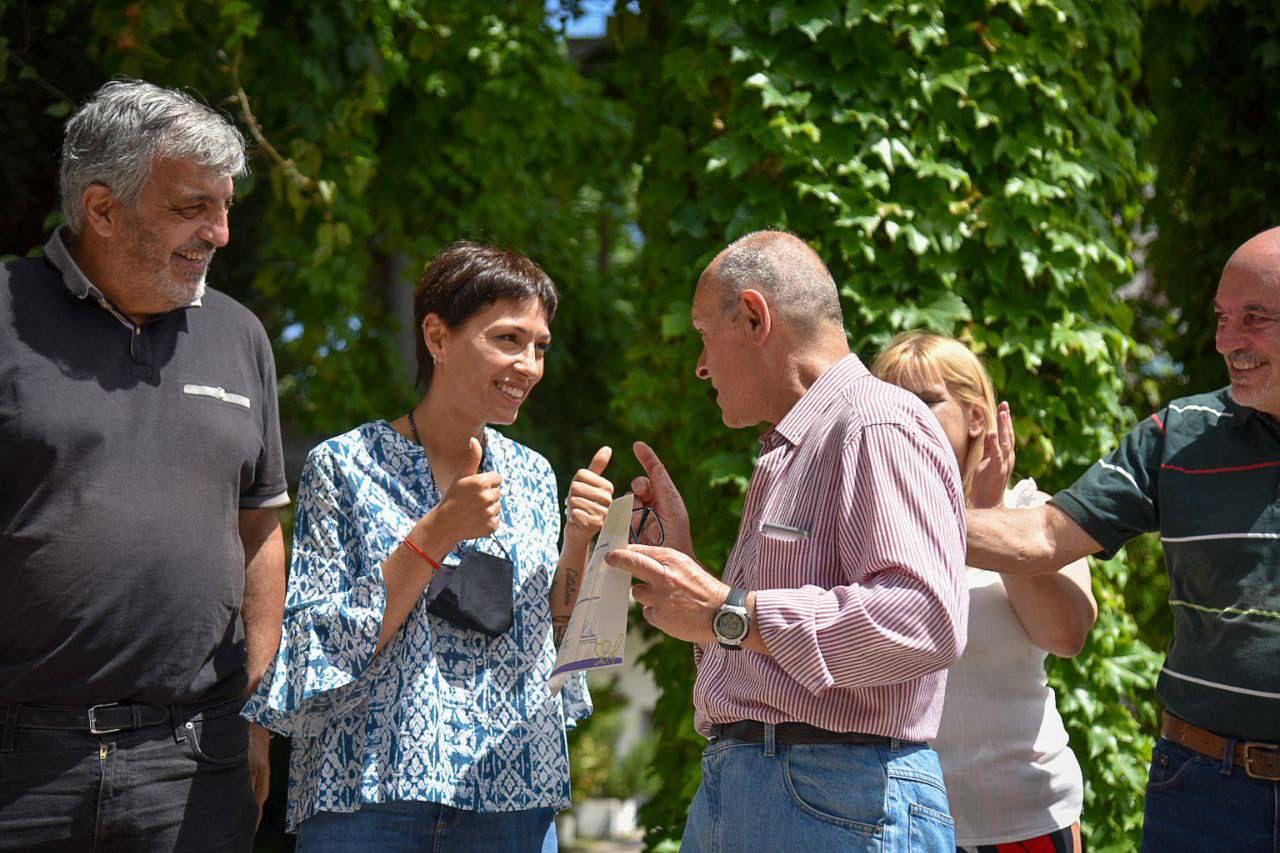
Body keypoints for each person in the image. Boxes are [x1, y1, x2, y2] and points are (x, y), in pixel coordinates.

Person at [605, 230, 969, 851]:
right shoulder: (799, 444)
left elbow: (924, 621)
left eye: (701, 334)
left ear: (753, 316)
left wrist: (728, 613)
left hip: (833, 794)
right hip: (774, 789)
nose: (699, 365)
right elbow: (753, 643)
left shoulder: (874, 423)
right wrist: (689, 571)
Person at [244, 242, 613, 852]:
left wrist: (579, 543)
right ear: (437, 338)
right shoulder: (344, 467)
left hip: (513, 795)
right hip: (367, 796)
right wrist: (436, 532)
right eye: (508, 339)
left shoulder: (535, 476)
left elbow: (560, 643)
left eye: (539, 345)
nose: (528, 364)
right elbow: (317, 646)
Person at [0, 79, 287, 850]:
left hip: (195, 760)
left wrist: (257, 706)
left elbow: (259, 527)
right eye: (193, 207)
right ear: (102, 209)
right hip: (21, 762)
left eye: (225, 207)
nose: (220, 233)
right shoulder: (4, 311)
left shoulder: (239, 334)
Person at [964, 227, 1280, 852]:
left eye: (1254, 318)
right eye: (1221, 318)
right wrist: (881, 515)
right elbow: (1045, 536)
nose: (1227, 341)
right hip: (1206, 794)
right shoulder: (1181, 435)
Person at [872, 332, 1096, 853]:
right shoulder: (869, 521)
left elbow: (1066, 634)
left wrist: (993, 521)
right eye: (892, 402)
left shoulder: (1032, 510)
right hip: (903, 817)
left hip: (1025, 813)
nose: (905, 416)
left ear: (978, 418)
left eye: (925, 401)